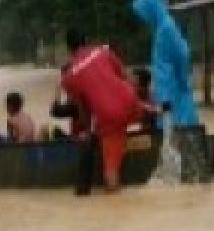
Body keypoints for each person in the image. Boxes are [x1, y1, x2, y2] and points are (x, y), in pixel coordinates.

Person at [60, 28, 153, 194]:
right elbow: (126, 78)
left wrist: (89, 131)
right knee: (142, 117)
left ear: (69, 48)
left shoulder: (69, 78)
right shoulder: (104, 51)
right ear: (86, 41)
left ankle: (115, 208)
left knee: (111, 170)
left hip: (109, 116)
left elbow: (84, 109)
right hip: (131, 101)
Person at [132, 0, 200, 129]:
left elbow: (182, 53)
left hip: (172, 89)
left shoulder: (166, 28)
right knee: (167, 130)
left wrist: (182, 80)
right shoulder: (162, 28)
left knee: (176, 130)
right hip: (167, 89)